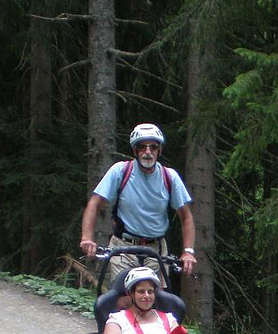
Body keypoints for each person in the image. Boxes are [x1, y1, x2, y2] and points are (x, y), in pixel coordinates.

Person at [80, 123, 197, 287]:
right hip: (123, 247)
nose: (148, 152)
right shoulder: (121, 171)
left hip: (156, 250)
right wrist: (87, 238)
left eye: (153, 147)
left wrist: (188, 252)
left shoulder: (169, 177)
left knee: (157, 301)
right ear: (135, 150)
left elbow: (186, 216)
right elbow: (94, 204)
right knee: (124, 296)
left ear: (159, 150)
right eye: (142, 147)